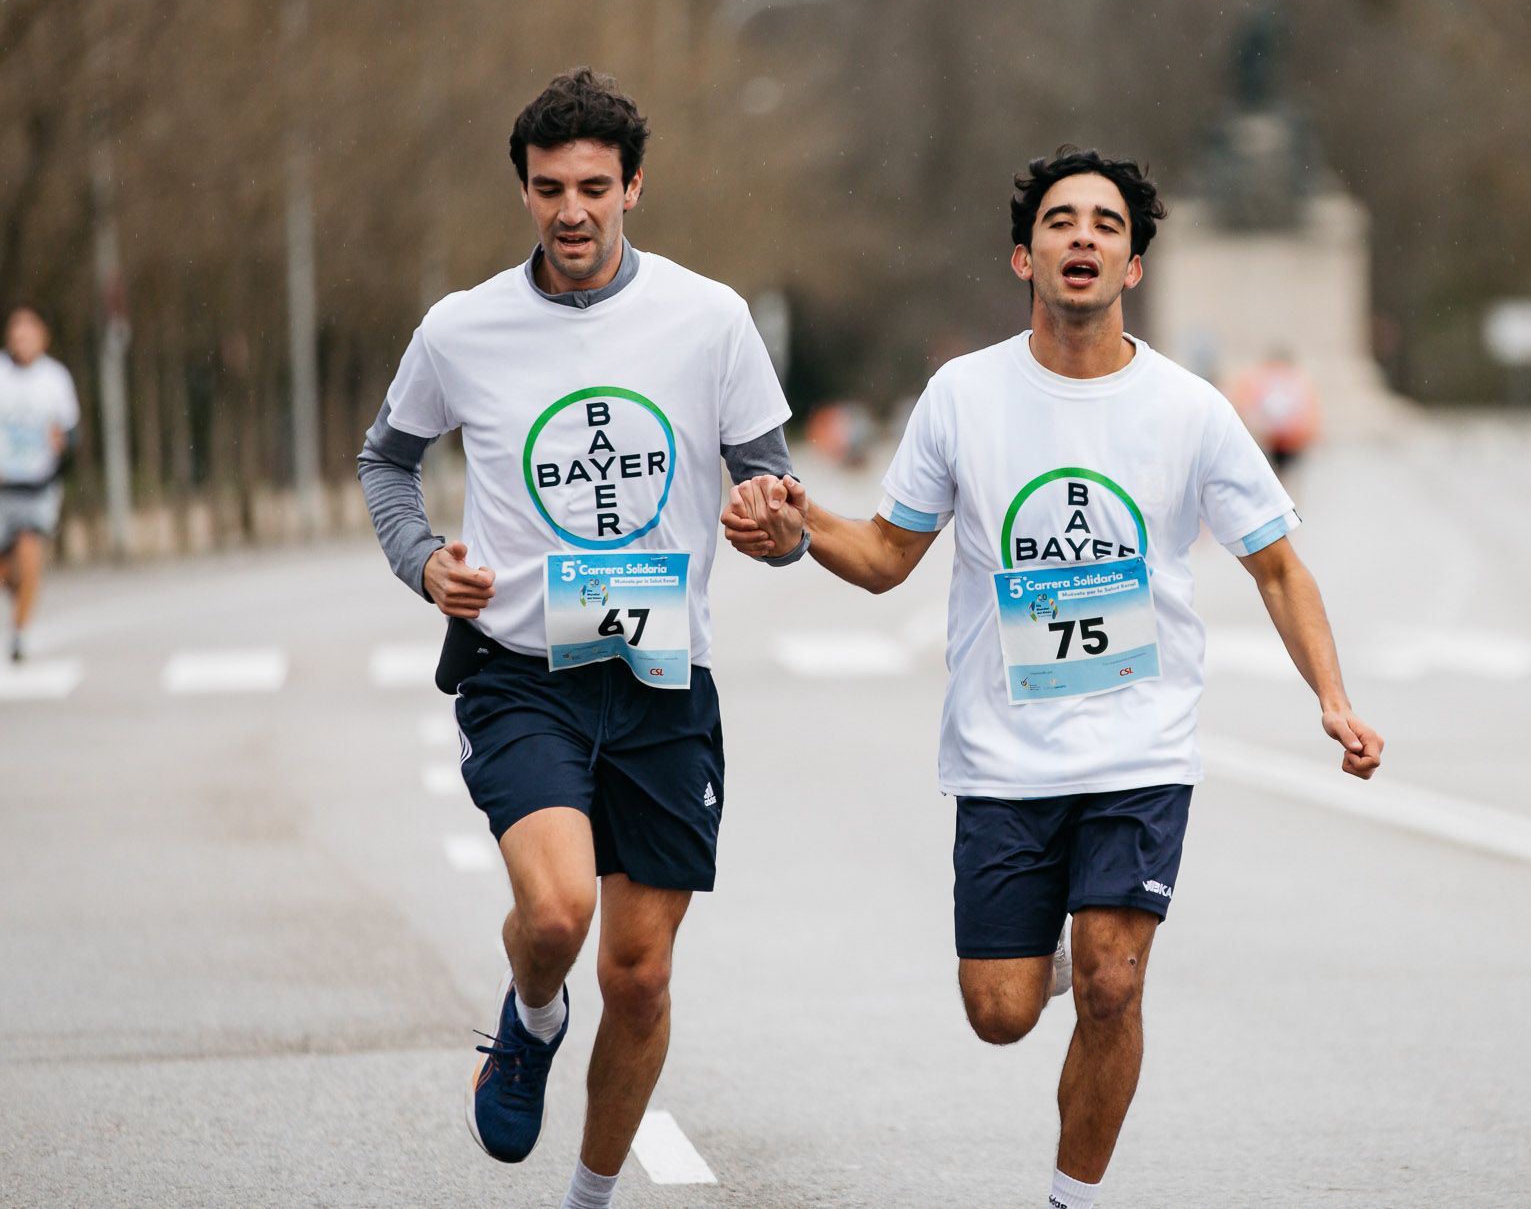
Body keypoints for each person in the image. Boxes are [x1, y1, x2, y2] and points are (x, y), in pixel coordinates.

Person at [723, 147, 1384, 1209]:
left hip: (1140, 746)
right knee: (999, 1011)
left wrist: (1333, 699)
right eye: (1062, 223)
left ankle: (1070, 1196)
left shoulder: (1187, 408)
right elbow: (889, 554)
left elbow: (1276, 564)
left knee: (1115, 986)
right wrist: (798, 534)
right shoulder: (962, 396)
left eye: (1107, 225)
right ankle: (1070, 942)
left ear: (1131, 266)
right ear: (1022, 256)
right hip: (1001, 754)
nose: (1083, 237)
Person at [357, 68, 801, 1209]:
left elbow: (773, 493)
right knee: (556, 913)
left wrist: (771, 526)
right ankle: (532, 1014)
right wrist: (423, 562)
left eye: (593, 188)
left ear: (633, 188)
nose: (571, 211)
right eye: (549, 188)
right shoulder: (461, 328)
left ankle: (589, 1196)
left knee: (641, 975)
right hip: (524, 674)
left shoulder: (710, 320)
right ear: (523, 192)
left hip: (661, 679)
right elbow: (388, 463)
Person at [0, 304, 80, 664]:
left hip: (38, 484)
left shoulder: (56, 378)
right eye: (16, 335)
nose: (22, 342)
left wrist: (63, 442)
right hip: (2, 486)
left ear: (41, 338)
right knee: (8, 572)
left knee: (30, 556)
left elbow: (72, 432)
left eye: (28, 335)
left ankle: (19, 634)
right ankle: (18, 590)